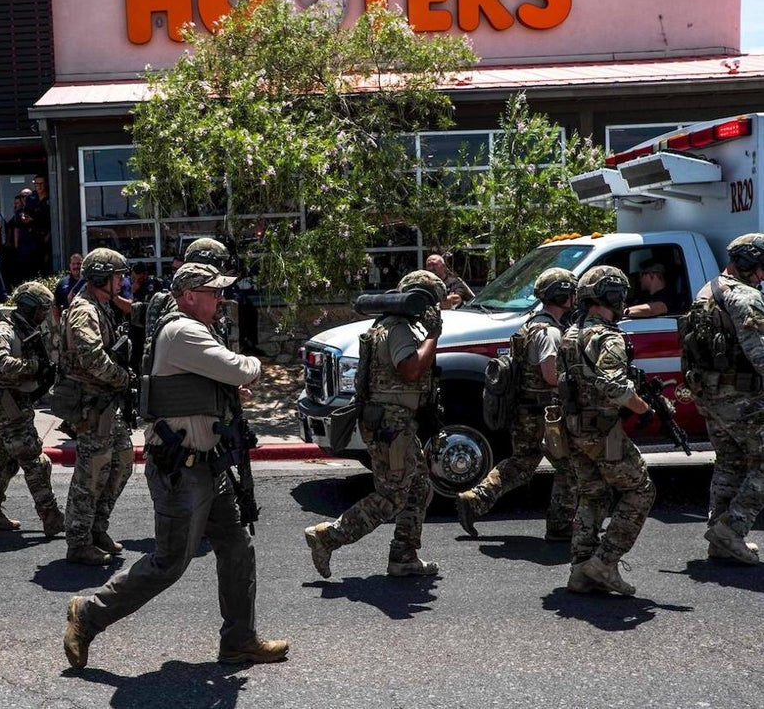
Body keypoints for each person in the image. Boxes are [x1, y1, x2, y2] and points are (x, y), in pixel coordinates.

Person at [63, 262, 289, 669]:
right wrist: (251, 366)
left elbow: (208, 383)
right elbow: (239, 367)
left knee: (237, 547)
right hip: (179, 471)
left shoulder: (194, 330)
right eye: (213, 291)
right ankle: (89, 614)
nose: (220, 298)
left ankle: (239, 640)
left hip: (209, 466)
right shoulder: (182, 330)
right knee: (168, 563)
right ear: (188, 296)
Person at [303, 270, 447, 581]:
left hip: (394, 423)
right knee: (392, 496)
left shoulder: (388, 324)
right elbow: (409, 369)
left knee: (419, 490)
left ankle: (404, 556)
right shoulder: (398, 329)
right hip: (392, 425)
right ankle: (329, 536)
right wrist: (434, 336)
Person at [456, 268, 578, 540]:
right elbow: (549, 375)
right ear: (561, 295)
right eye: (570, 292)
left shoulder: (530, 325)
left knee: (521, 464)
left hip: (525, 410)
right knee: (570, 468)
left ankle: (475, 499)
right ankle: (560, 527)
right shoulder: (550, 333)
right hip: (545, 414)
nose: (574, 297)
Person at [557, 265, 656, 596]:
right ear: (611, 296)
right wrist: (644, 409)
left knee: (593, 494)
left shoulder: (570, 334)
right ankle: (605, 562)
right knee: (641, 490)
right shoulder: (608, 337)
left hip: (573, 428)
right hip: (604, 431)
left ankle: (580, 572)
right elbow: (613, 385)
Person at [683, 234, 764, 564]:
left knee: (731, 462)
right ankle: (732, 529)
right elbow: (759, 354)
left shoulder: (707, 290)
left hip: (712, 395)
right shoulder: (745, 298)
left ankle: (720, 536)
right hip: (741, 397)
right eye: (760, 268)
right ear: (747, 262)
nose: (762, 276)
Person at [60, 248, 134, 565]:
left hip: (106, 403)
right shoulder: (84, 311)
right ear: (102, 277)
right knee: (91, 474)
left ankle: (96, 529)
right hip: (91, 404)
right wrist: (122, 378)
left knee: (123, 461)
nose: (122, 281)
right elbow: (91, 358)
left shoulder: (101, 306)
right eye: (118, 276)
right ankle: (78, 542)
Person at [0, 281, 65, 536]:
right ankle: (51, 516)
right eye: (41, 309)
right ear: (28, 306)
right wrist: (33, 367)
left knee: (4, 461)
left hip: (18, 401)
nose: (44, 315)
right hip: (6, 401)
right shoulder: (3, 332)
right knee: (33, 459)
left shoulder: (26, 330)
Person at [29, 174, 52, 275]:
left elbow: (54, 218)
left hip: (48, 234)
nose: (39, 186)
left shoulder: (51, 197)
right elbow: (26, 214)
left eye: (41, 183)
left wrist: (49, 234)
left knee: (47, 261)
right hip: (33, 235)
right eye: (36, 183)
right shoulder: (31, 198)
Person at [53, 252, 83, 321]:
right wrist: (59, 328)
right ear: (70, 265)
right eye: (73, 264)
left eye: (78, 264)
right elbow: (55, 307)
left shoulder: (89, 283)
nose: (76, 266)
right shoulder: (62, 283)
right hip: (67, 322)